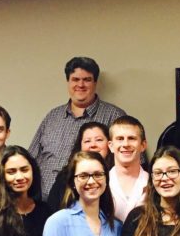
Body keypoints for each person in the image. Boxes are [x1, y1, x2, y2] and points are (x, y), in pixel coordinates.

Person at [30, 57, 125, 198]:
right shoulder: (52, 116)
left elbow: (132, 162)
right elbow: (31, 157)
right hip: (43, 203)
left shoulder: (114, 116)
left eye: (87, 79)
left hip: (90, 202)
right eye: (75, 79)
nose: (80, 84)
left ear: (95, 83)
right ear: (68, 82)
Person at [47, 121, 111, 212]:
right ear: (80, 146)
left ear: (109, 145)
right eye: (87, 141)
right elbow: (52, 208)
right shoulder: (65, 175)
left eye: (99, 140)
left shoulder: (116, 173)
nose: (93, 145)